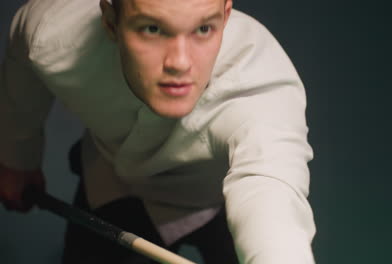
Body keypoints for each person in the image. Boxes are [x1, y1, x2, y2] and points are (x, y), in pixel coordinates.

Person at [0, 0, 316, 263]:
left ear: (226, 16)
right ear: (111, 20)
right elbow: (21, 63)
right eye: (152, 28)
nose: (179, 63)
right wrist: (17, 158)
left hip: (219, 201)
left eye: (204, 28)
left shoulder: (263, 87)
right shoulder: (50, 35)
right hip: (113, 184)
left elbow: (272, 189)